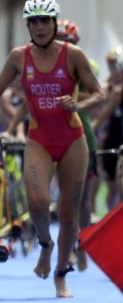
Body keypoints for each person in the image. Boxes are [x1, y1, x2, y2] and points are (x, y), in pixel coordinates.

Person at [0, 0, 104, 298]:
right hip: (39, 140)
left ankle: (61, 275)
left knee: (69, 213)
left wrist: (79, 103)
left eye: (46, 20)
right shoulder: (19, 57)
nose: (41, 26)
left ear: (55, 23)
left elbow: (99, 94)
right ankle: (45, 244)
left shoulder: (73, 55)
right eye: (34, 21)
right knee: (37, 201)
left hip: (73, 141)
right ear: (28, 26)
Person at [54, 19, 101, 271]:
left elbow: (100, 93)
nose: (62, 44)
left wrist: (74, 99)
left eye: (67, 40)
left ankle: (83, 247)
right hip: (57, 136)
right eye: (58, 39)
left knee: (82, 201)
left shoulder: (80, 63)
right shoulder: (46, 64)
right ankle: (69, 248)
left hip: (83, 137)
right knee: (66, 198)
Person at [92, 47, 123, 212]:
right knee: (113, 187)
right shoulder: (109, 90)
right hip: (112, 141)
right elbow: (101, 116)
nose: (115, 71)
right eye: (111, 66)